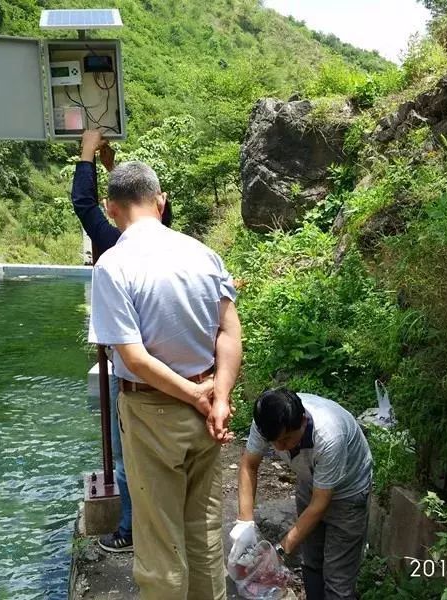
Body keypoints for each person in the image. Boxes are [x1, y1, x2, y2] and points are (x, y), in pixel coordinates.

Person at [87, 159, 242, 600]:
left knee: (159, 544)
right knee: (204, 535)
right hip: (210, 409)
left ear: (110, 208)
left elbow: (132, 357)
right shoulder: (203, 254)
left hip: (153, 412)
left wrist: (195, 394)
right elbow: (229, 331)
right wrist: (220, 398)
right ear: (161, 201)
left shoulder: (114, 266)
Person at [72, 130, 165, 552]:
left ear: (114, 209)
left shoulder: (112, 246)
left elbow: (84, 205)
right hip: (174, 368)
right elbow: (144, 201)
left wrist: (87, 154)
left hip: (132, 371)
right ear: (158, 204)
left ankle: (128, 530)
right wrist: (114, 168)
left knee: (126, 455)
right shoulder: (173, 245)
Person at [235, 388, 373, 600]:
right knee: (311, 562)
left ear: (302, 421)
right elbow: (249, 465)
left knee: (338, 580)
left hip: (349, 492)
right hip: (311, 481)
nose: (279, 447)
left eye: (286, 439)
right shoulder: (267, 420)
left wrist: (280, 550)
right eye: (274, 442)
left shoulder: (329, 436)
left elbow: (319, 504)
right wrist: (245, 524)